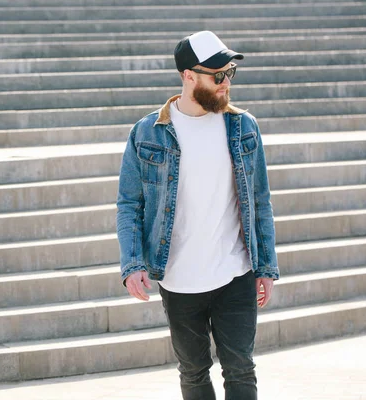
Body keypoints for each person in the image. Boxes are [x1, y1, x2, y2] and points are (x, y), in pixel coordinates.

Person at [116, 31, 280, 400]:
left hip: (235, 273)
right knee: (193, 372)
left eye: (230, 73)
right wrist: (132, 264)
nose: (226, 83)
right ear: (188, 76)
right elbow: (129, 205)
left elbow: (260, 200)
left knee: (240, 369)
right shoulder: (147, 134)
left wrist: (266, 267)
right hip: (178, 279)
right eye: (217, 76)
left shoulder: (243, 127)